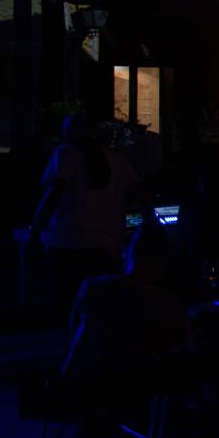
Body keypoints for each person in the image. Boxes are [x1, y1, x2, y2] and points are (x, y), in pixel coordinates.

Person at [30, 114, 140, 301]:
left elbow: (55, 192)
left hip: (68, 242)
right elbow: (139, 194)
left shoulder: (65, 154)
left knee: (68, 301)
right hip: (107, 245)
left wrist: (35, 230)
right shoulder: (118, 160)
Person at [63, 224, 189, 377]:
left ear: (128, 250)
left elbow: (72, 333)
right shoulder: (167, 303)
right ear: (164, 262)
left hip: (79, 381)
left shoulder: (92, 286)